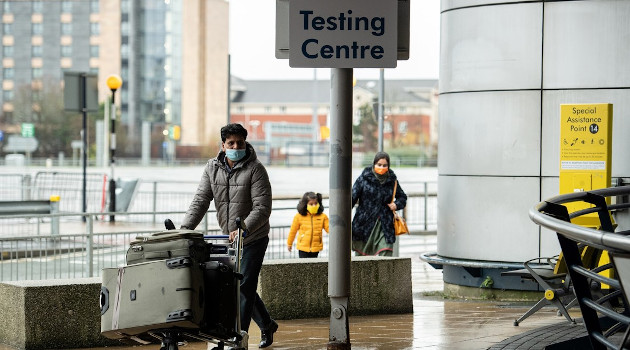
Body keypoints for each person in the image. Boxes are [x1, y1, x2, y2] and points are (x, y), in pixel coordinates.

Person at [180, 123, 278, 348]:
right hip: (230, 239)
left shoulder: (256, 169)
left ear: (245, 143)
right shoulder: (211, 168)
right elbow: (201, 201)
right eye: (231, 143)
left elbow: (262, 207)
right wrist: (185, 229)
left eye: (240, 143)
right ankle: (267, 324)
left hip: (253, 237)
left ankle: (238, 336)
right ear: (222, 146)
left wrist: (244, 228)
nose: (236, 147)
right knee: (241, 285)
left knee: (242, 285)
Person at [351, 151, 407, 256]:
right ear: (374, 164)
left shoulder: (392, 180)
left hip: (384, 223)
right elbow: (352, 198)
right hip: (364, 223)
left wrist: (396, 204)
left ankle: (383, 273)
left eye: (384, 165)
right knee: (362, 258)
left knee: (385, 252)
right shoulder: (363, 178)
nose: (381, 167)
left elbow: (402, 197)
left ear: (388, 166)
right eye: (379, 165)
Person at [287, 192, 330, 258]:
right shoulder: (298, 216)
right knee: (303, 266)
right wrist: (289, 243)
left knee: (313, 266)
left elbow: (329, 229)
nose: (314, 206)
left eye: (316, 203)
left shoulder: (323, 217)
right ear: (305, 204)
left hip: (316, 247)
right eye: (311, 204)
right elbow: (293, 231)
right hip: (302, 247)